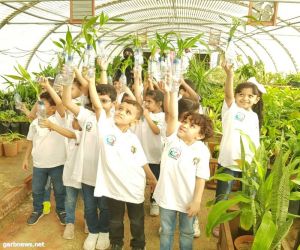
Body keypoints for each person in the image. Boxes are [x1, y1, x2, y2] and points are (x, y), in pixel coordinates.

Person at [88, 73, 157, 250]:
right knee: (115, 220)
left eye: (128, 112)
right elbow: (97, 106)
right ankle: (116, 243)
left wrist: (152, 178)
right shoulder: (106, 129)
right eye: (120, 109)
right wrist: (90, 82)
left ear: (134, 122)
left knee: (136, 220)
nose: (121, 112)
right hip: (114, 189)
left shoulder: (133, 139)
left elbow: (142, 161)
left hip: (134, 187)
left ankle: (138, 244)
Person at [153, 79, 213, 250]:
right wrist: (171, 92)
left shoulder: (201, 150)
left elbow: (201, 178)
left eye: (192, 125)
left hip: (187, 200)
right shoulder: (172, 140)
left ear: (200, 136)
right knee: (166, 231)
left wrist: (197, 201)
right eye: (185, 122)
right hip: (167, 197)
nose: (185, 125)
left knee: (187, 233)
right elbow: (171, 115)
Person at [62, 63, 115, 250]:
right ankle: (93, 232)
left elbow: (100, 109)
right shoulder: (88, 116)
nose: (99, 104)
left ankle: (104, 232)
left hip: (105, 176)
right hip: (87, 174)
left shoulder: (113, 119)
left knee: (105, 207)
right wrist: (67, 80)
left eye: (105, 101)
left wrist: (92, 82)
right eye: (97, 100)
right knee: (90, 207)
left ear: (113, 104)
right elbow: (67, 102)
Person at [213, 62, 265, 237]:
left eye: (250, 96)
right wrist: (229, 74)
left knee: (249, 197)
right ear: (235, 96)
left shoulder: (254, 117)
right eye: (241, 94)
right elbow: (227, 93)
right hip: (228, 161)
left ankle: (246, 226)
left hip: (248, 164)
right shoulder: (231, 109)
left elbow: (254, 141)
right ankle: (217, 223)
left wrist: (257, 162)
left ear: (256, 99)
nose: (245, 98)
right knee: (222, 197)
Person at [22, 83, 67, 226]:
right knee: (37, 189)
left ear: (53, 109)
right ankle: (37, 210)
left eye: (43, 104)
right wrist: (25, 159)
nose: (39, 106)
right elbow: (30, 141)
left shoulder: (60, 119)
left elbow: (60, 103)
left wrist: (49, 88)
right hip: (39, 164)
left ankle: (61, 210)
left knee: (60, 189)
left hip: (57, 164)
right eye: (38, 103)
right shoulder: (35, 122)